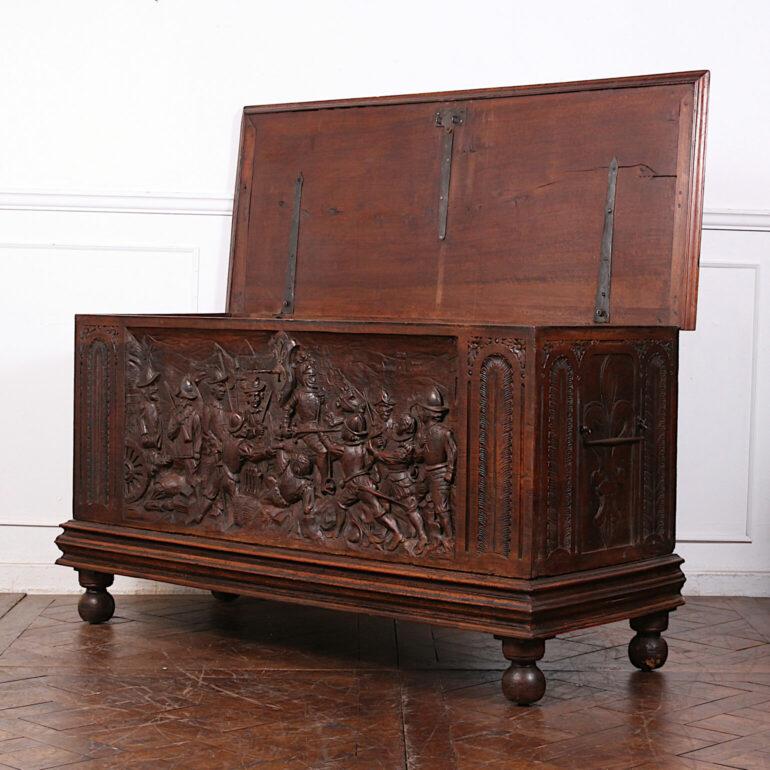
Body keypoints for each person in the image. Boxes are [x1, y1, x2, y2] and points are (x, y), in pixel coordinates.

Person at [416, 387, 456, 542]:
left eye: (422, 410)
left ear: (429, 413)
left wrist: (449, 472)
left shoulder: (444, 432)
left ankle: (449, 538)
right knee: (414, 499)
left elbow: (452, 452)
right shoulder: (423, 433)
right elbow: (420, 455)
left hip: (439, 473)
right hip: (425, 473)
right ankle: (428, 531)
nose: (419, 413)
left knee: (442, 507)